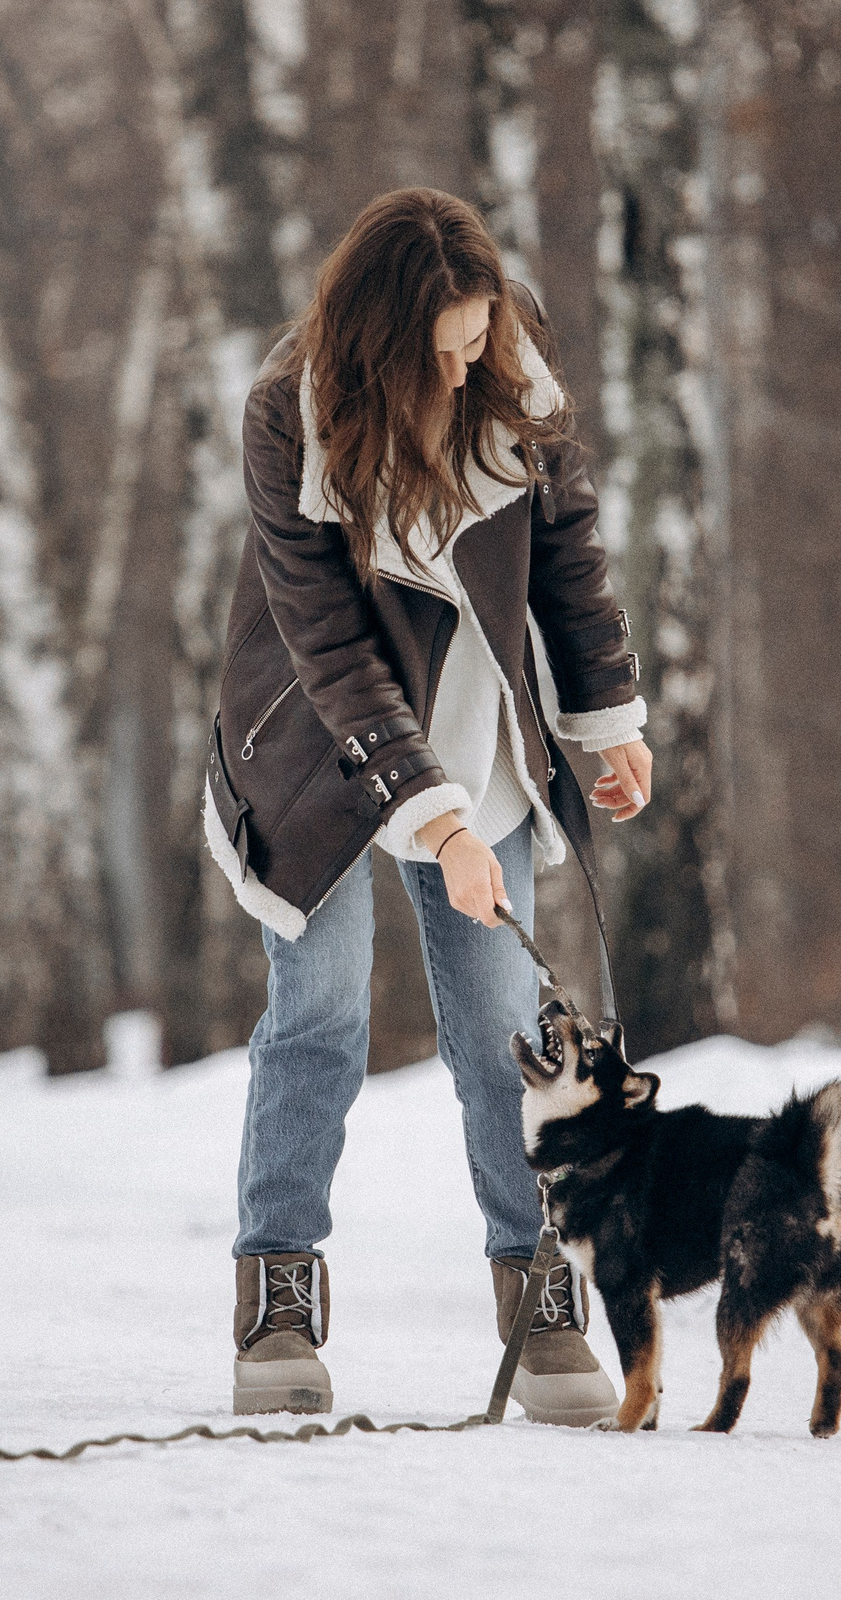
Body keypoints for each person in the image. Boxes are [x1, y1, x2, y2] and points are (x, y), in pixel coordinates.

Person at [200, 188, 652, 1424]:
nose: (466, 373)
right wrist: (437, 826)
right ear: (384, 348)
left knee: (505, 1030)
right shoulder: (286, 421)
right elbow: (330, 649)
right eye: (442, 355)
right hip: (319, 751)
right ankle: (277, 1298)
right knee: (321, 1016)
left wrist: (605, 719)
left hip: (476, 733)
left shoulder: (512, 373)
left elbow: (566, 557)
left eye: (479, 343)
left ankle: (538, 1291)